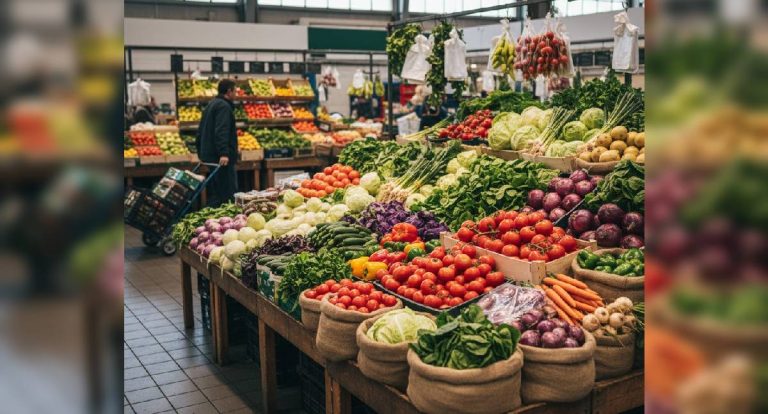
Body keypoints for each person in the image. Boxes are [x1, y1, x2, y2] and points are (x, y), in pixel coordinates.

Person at [196, 78, 238, 207]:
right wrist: (224, 153)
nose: (236, 94)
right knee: (227, 191)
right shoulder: (223, 106)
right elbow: (221, 130)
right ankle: (224, 217)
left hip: (209, 154)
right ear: (229, 91)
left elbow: (200, 130)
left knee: (217, 189)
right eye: (235, 91)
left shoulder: (212, 104)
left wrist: (200, 152)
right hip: (219, 157)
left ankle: (215, 215)